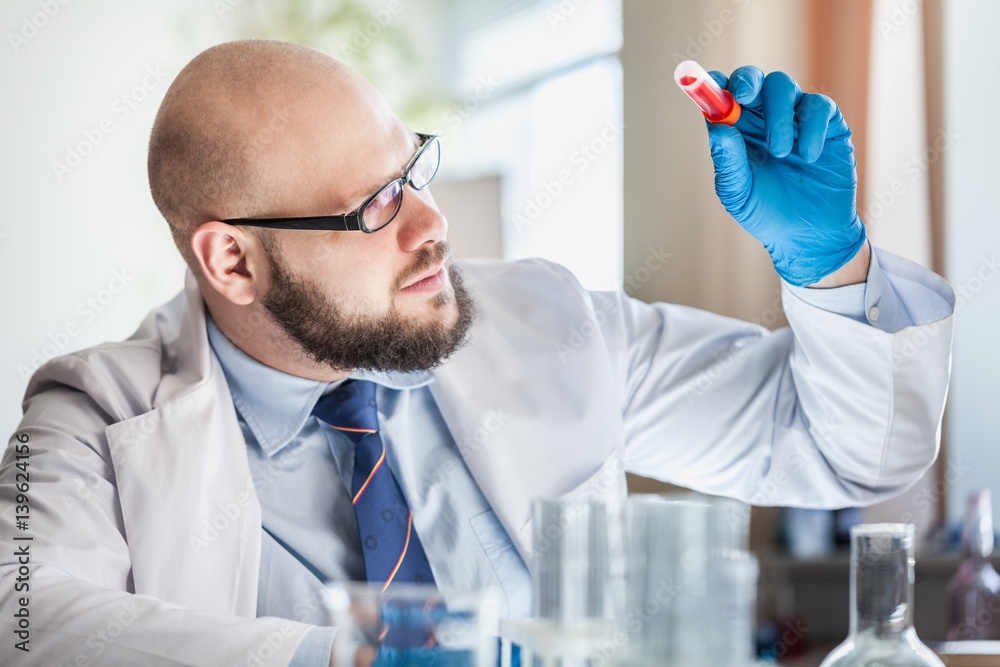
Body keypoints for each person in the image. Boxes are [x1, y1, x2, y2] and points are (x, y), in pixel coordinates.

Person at [0, 39, 954, 667]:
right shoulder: (98, 416)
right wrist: (349, 656)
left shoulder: (545, 323)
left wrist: (830, 263)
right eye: (376, 205)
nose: (430, 222)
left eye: (412, 167)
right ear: (232, 259)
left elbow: (852, 452)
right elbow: (28, 624)